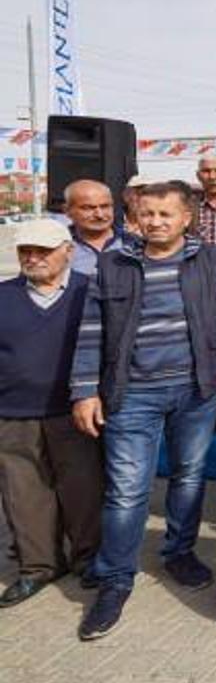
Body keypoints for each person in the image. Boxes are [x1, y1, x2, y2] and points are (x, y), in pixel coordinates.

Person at [70, 181, 216, 640]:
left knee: (189, 476)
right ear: (135, 217)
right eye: (147, 214)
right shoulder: (114, 266)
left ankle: (179, 552)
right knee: (128, 490)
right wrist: (85, 391)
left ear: (186, 218)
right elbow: (91, 332)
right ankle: (114, 579)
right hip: (131, 395)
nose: (155, 222)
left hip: (196, 390)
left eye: (165, 214)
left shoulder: (212, 260)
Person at [0, 220, 103, 606]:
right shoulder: (4, 296)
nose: (33, 257)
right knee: (23, 493)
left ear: (67, 251)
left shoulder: (88, 292)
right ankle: (38, 567)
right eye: (26, 250)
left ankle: (88, 558)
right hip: (13, 412)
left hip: (73, 411)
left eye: (43, 250)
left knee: (83, 489)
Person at [64, 179, 123, 276]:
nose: (99, 215)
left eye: (105, 206)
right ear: (67, 210)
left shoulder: (133, 244)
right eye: (88, 208)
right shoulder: (57, 248)